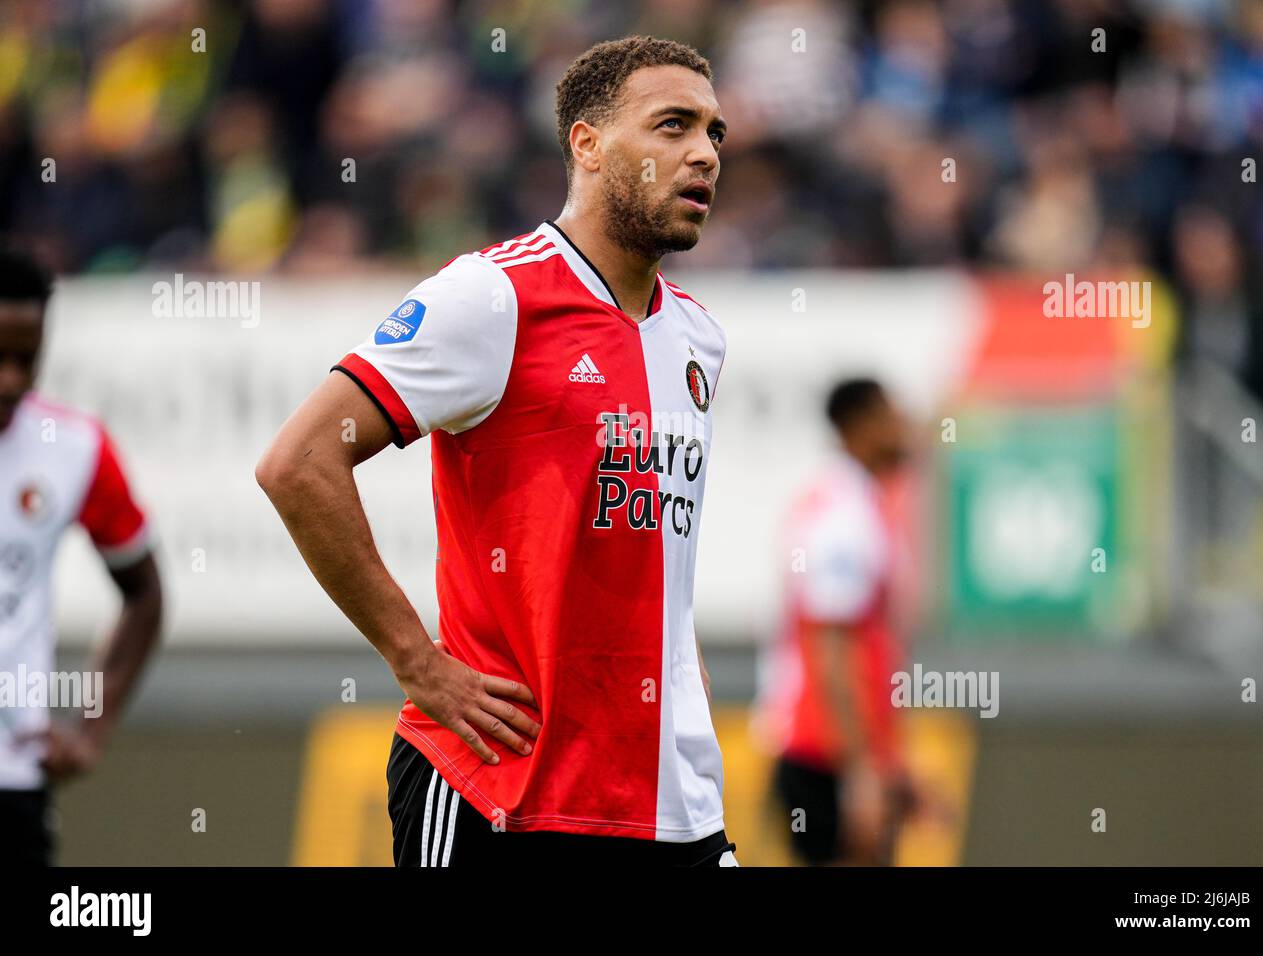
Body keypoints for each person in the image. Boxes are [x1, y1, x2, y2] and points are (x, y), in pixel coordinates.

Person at [257, 36, 737, 866]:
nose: (703, 153)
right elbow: (298, 463)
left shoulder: (699, 336)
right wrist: (417, 662)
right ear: (587, 145)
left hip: (668, 800)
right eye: (672, 126)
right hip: (501, 789)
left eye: (714, 134)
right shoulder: (492, 297)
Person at [0, 247, 163, 865]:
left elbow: (144, 593)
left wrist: (92, 728)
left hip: (12, 781)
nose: (10, 379)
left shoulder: (73, 448)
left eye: (26, 359)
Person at [758, 378, 918, 865]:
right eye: (893, 415)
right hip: (823, 756)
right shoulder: (844, 516)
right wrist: (859, 774)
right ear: (861, 424)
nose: (904, 428)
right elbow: (832, 652)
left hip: (834, 754)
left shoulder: (849, 501)